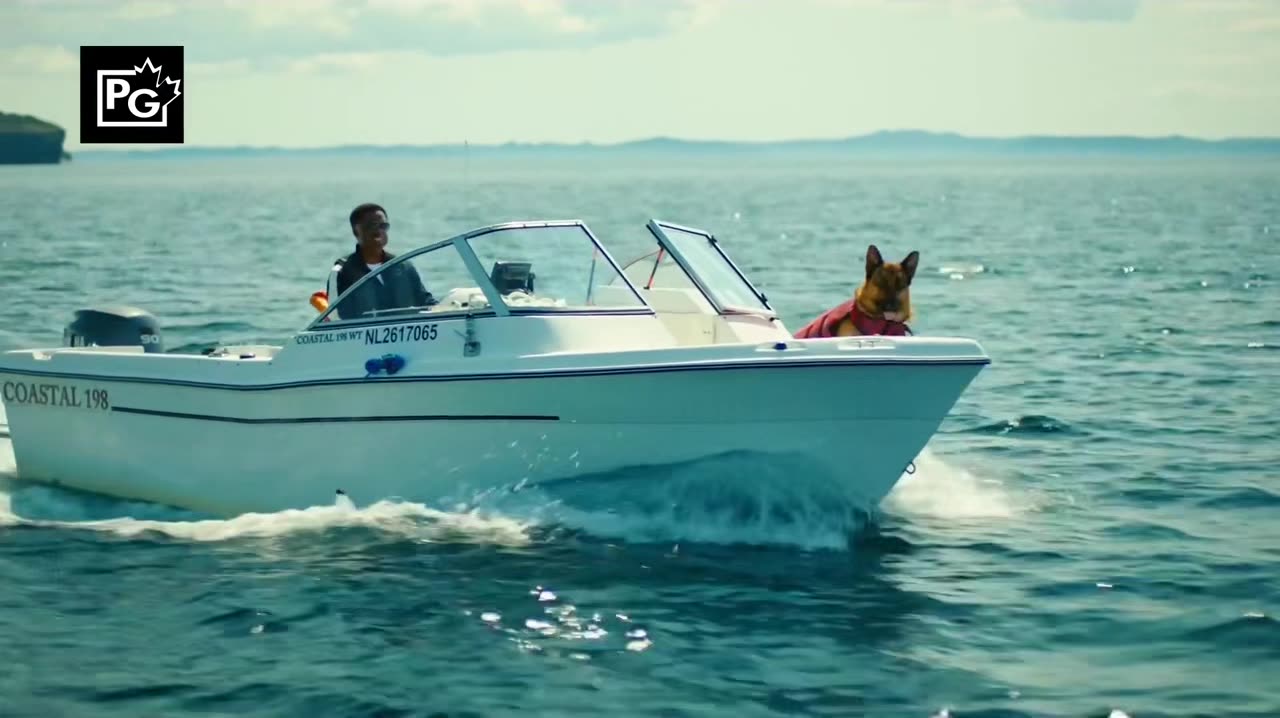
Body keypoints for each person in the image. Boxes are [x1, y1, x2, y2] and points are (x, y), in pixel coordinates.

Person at [330, 203, 434, 320]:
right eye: (372, 225)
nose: (378, 231)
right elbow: (337, 318)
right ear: (356, 231)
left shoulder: (404, 267)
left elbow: (426, 303)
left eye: (383, 226)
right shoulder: (341, 272)